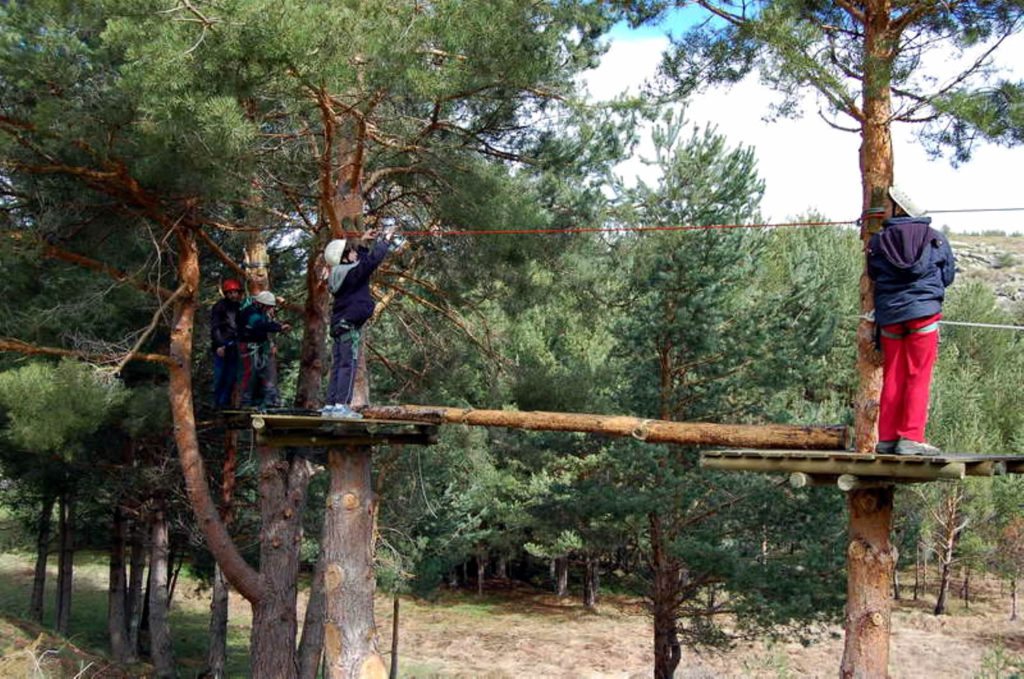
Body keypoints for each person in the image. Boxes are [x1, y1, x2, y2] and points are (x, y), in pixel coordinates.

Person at [868, 186, 956, 456]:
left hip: (892, 317)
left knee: (893, 374)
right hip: (923, 315)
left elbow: (873, 274)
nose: (884, 207)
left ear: (899, 209)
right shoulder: (935, 239)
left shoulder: (878, 241)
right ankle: (911, 438)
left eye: (888, 204)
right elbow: (948, 276)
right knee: (918, 375)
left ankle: (887, 439)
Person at [322, 228, 395, 419]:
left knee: (338, 366)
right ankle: (340, 407)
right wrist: (385, 241)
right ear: (345, 258)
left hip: (339, 324)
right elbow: (370, 263)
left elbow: (361, 264)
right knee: (348, 366)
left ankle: (330, 406)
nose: (355, 252)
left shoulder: (339, 273)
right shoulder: (352, 273)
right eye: (352, 251)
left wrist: (363, 242)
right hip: (348, 327)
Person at [237, 290, 291, 410]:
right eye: (268, 307)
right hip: (248, 347)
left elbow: (266, 325)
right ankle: (246, 402)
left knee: (266, 373)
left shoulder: (262, 312)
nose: (268, 309)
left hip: (261, 346)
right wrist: (279, 327)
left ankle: (270, 400)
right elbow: (259, 325)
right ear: (261, 303)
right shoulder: (250, 312)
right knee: (249, 374)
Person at [210, 279, 244, 409]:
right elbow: (215, 327)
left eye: (235, 292)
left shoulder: (239, 307)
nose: (233, 295)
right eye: (230, 293)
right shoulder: (219, 307)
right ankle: (216, 402)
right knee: (219, 376)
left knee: (231, 377)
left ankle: (223, 403)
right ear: (226, 294)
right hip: (222, 346)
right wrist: (219, 345)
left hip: (235, 347)